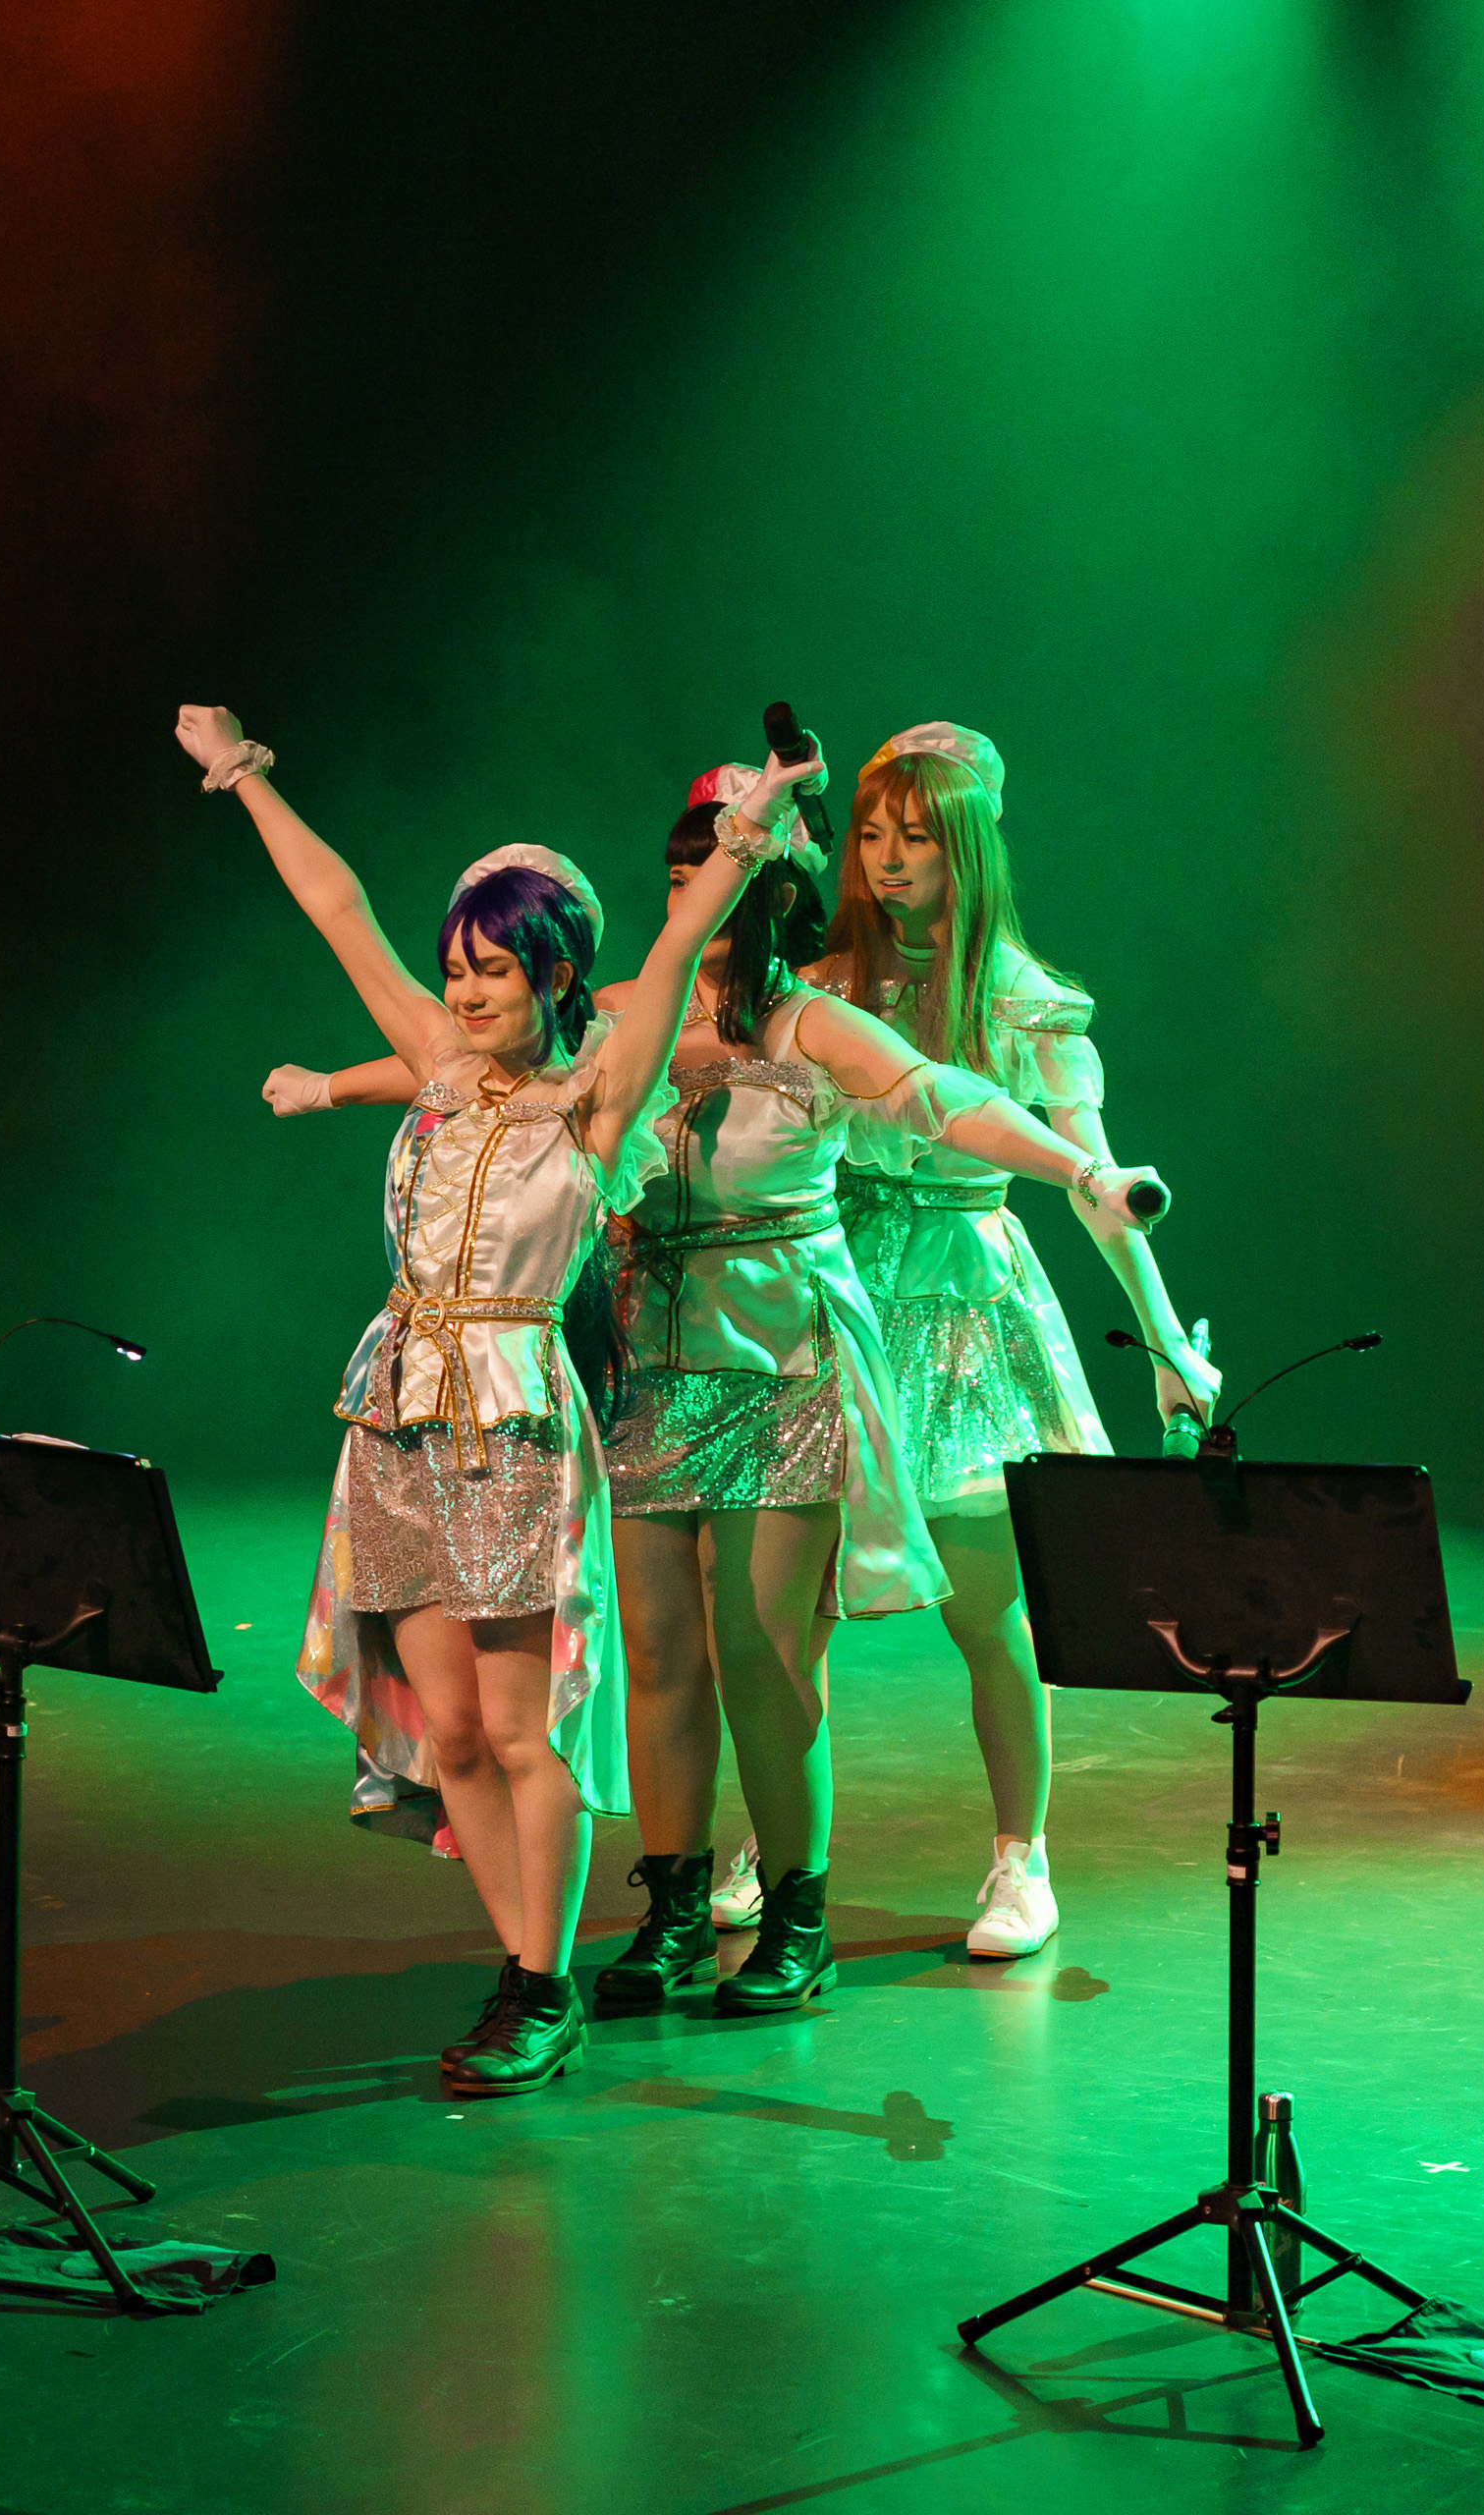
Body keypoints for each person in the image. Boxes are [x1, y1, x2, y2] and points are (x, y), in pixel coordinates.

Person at [270, 756, 1172, 2015]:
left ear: (772, 888)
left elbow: (944, 1100)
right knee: (658, 1654)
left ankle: (797, 1906)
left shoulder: (811, 1024)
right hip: (644, 1371)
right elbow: (468, 1058)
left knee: (763, 1656)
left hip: (779, 1367)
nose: (693, 893)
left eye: (720, 871)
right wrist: (330, 1083)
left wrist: (1079, 1169)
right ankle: (675, 1905)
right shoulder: (623, 1016)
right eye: (680, 875)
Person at [172, 701, 823, 2092]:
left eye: (494, 971)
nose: (464, 993)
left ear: (553, 974)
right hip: (395, 1419)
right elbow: (338, 911)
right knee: (452, 1730)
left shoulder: (593, 1100)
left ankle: (539, 1984)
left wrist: (747, 832)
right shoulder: (439, 1065)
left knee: (523, 1728)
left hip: (516, 1424)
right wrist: (242, 776)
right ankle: (522, 1965)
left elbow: (673, 954)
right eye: (457, 968)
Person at [805, 720, 1222, 1960]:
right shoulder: (820, 986)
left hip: (968, 1305)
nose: (888, 860)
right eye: (870, 837)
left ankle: (1021, 1855)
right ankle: (778, 1847)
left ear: (967, 849)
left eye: (915, 839)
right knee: (793, 1600)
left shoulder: (1025, 1001)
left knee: (985, 1609)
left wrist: (1165, 1342)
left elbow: (1099, 1186)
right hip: (835, 1287)